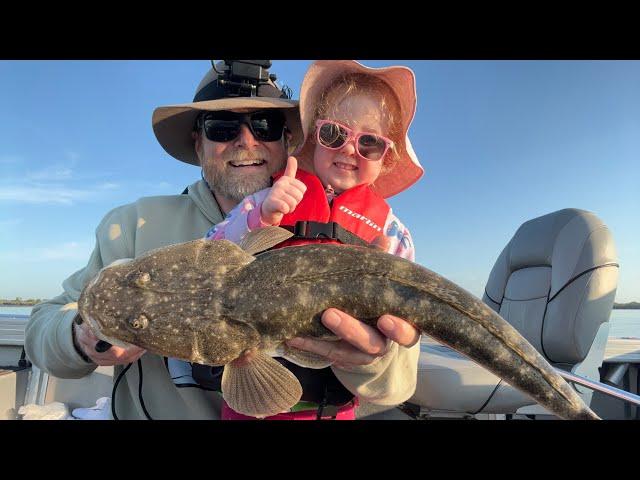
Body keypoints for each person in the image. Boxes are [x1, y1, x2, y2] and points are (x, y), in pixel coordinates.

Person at [24, 60, 422, 420]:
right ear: (198, 143)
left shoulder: (361, 236)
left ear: (288, 141)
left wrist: (369, 359)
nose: (245, 141)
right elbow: (45, 327)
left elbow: (397, 386)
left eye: (263, 126)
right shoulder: (133, 224)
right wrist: (84, 336)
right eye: (222, 128)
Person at [203, 60, 424, 419]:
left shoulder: (392, 232)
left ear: (386, 160)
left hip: (332, 406)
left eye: (369, 143)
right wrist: (262, 217)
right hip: (252, 391)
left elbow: (412, 298)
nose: (350, 149)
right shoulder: (266, 198)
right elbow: (210, 249)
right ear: (314, 137)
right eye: (334, 134)